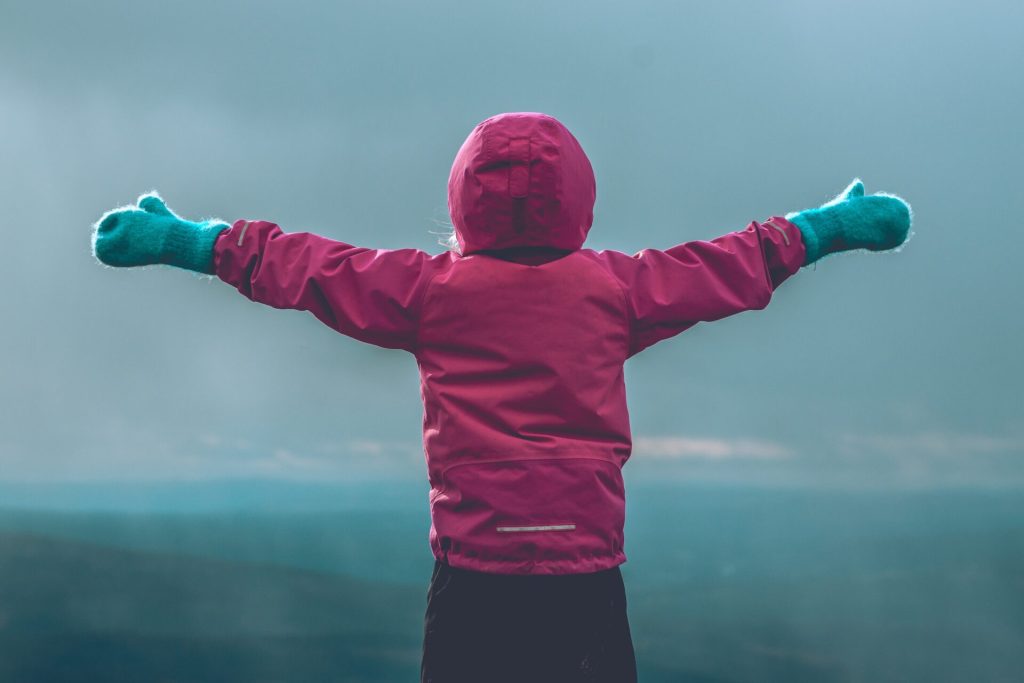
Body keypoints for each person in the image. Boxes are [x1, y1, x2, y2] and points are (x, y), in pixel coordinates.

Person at [91, 112, 912, 682]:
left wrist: (189, 241)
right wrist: (827, 226)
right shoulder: (616, 289)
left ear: (462, 200)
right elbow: (732, 263)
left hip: (475, 577)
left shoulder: (427, 291)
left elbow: (306, 267)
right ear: (579, 199)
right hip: (585, 575)